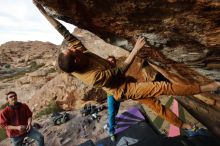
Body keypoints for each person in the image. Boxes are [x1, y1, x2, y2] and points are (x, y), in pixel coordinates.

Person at [33, 2, 220, 130]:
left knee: (155, 105)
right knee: (163, 88)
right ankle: (209, 86)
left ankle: (182, 125)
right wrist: (135, 49)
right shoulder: (91, 77)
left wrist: (42, 11)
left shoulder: (79, 55)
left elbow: (64, 33)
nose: (75, 48)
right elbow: (118, 72)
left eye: (73, 49)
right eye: (74, 52)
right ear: (76, 62)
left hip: (123, 78)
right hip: (124, 88)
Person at [106, 56, 120, 141]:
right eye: (109, 61)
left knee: (116, 111)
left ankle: (113, 122)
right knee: (111, 112)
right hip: (110, 95)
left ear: (115, 62)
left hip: (118, 94)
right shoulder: (106, 72)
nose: (111, 62)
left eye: (112, 61)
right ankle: (111, 131)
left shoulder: (118, 71)